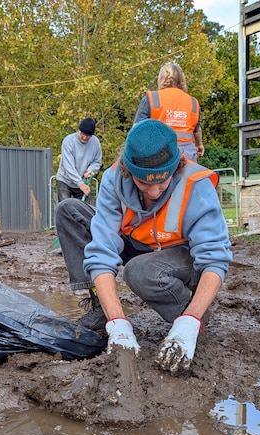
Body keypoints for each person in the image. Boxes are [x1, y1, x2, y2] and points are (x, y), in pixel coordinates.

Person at [54, 119, 232, 374]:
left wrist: (189, 322)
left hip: (180, 257)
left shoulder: (196, 185)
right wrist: (118, 322)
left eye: (162, 182)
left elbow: (215, 259)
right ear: (129, 170)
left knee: (138, 272)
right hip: (137, 243)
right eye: (144, 183)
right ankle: (103, 310)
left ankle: (189, 315)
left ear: (176, 165)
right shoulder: (114, 178)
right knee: (69, 211)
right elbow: (102, 250)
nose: (155, 191)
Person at [134, 62, 204, 162]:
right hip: (187, 156)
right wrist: (199, 145)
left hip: (159, 155)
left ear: (162, 78)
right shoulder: (193, 102)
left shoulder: (152, 98)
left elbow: (137, 129)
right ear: (181, 80)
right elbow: (197, 130)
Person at [55, 117, 102, 203]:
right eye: (83, 134)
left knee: (83, 211)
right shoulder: (68, 141)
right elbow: (68, 166)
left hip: (83, 182)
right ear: (78, 131)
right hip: (65, 181)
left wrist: (91, 170)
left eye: (88, 136)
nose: (84, 137)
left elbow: (97, 161)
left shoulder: (96, 143)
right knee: (65, 209)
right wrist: (80, 184)